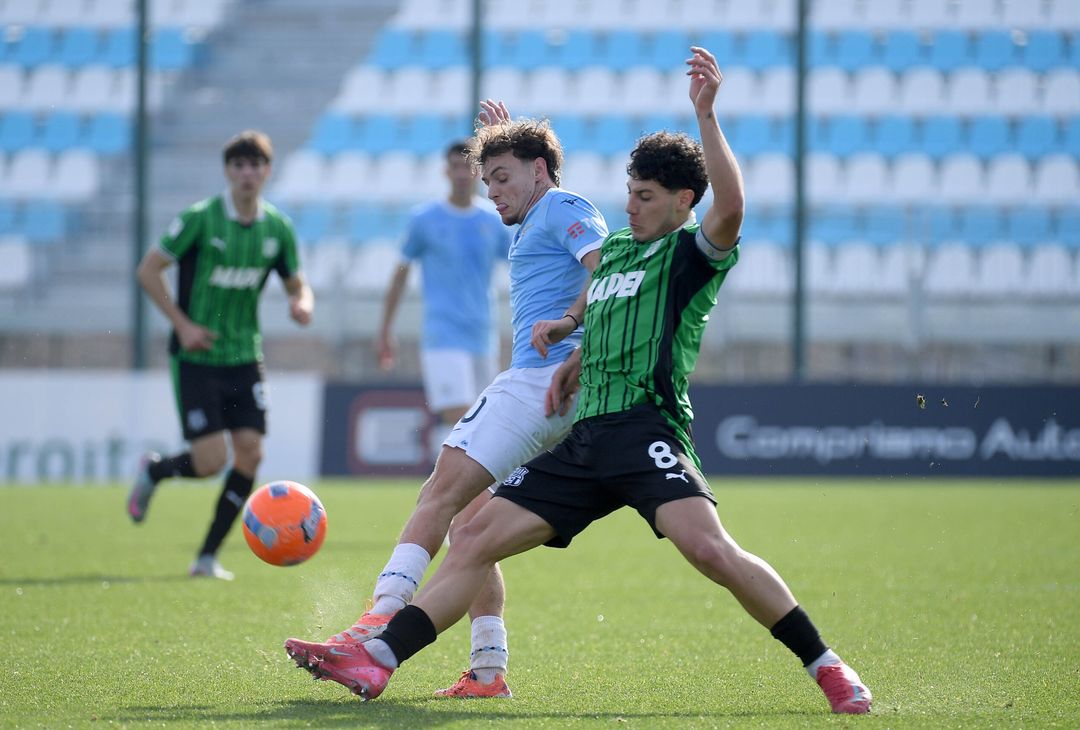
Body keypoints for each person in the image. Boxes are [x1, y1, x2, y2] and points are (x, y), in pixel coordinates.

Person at [284, 47, 872, 714]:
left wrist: (706, 115)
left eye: (646, 197)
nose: (630, 207)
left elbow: (731, 207)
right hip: (586, 436)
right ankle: (378, 659)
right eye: (628, 193)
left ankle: (826, 664)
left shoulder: (688, 257)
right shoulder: (619, 249)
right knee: (472, 535)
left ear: (683, 202)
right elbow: (595, 301)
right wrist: (568, 334)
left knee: (709, 550)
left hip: (646, 432)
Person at [306, 103, 607, 698]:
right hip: (553, 387)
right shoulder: (538, 214)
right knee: (471, 523)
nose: (490, 191)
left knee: (440, 492)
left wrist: (571, 323)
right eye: (486, 178)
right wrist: (502, 137)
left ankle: (376, 623)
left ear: (541, 170)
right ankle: (489, 670)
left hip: (534, 383)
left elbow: (609, 270)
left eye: (501, 177)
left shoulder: (562, 207)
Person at [128, 130, 315, 581]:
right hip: (197, 357)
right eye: (239, 166)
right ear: (228, 172)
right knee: (210, 461)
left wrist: (303, 303)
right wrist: (183, 324)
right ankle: (155, 472)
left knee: (250, 454)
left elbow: (297, 283)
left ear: (267, 171)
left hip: (244, 355)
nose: (247, 174)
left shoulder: (277, 229)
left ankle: (207, 557)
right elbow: (148, 270)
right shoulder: (201, 219)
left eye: (256, 165)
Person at [376, 140, 511, 462]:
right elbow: (400, 272)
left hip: (482, 335)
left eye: (468, 166)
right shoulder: (424, 219)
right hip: (442, 335)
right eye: (456, 166)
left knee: (483, 425)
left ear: (478, 171)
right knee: (461, 419)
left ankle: (472, 502)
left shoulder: (492, 221)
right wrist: (385, 330)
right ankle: (455, 498)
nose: (462, 173)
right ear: (445, 171)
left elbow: (520, 265)